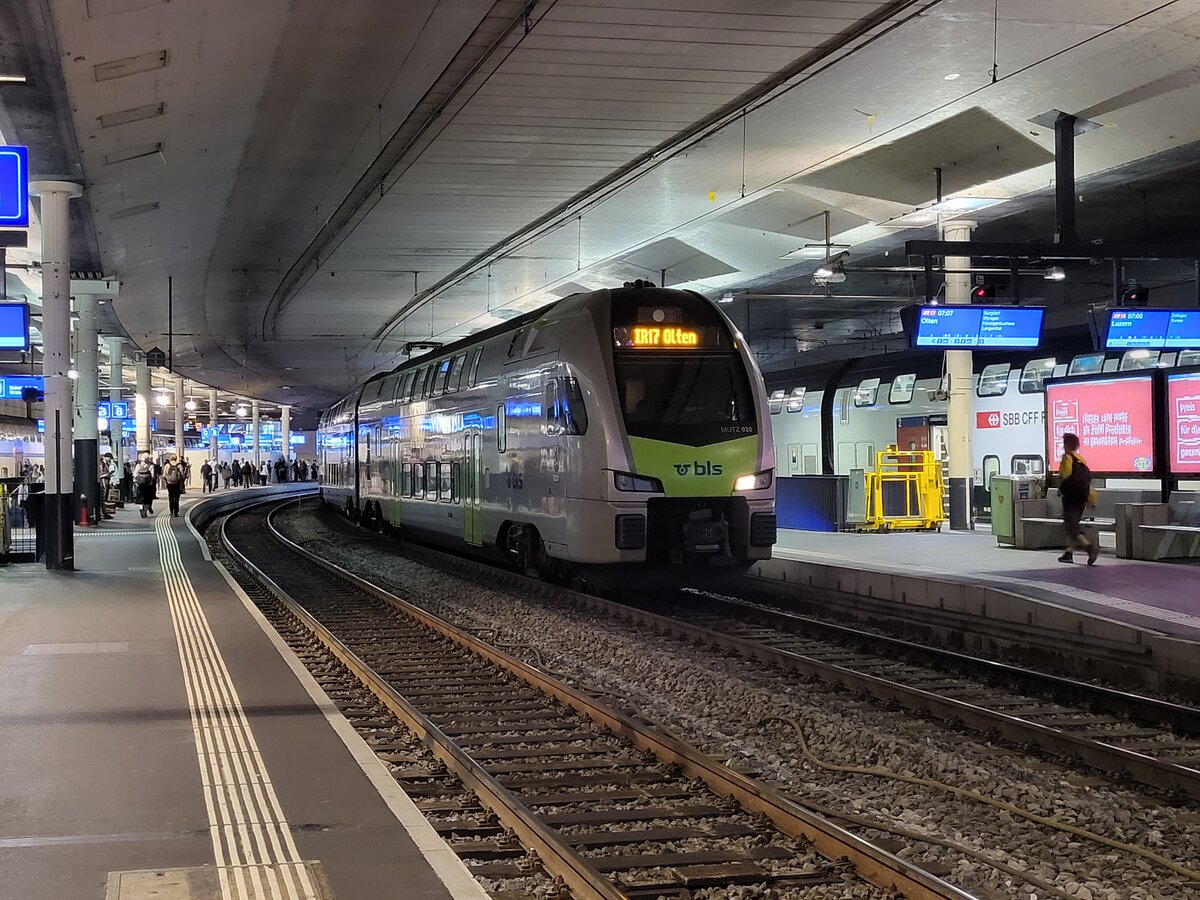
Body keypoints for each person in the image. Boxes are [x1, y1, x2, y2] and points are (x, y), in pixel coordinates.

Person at [1057, 432, 1098, 565]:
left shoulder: (1067, 458)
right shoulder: (1081, 460)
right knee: (1072, 524)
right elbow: (1087, 483)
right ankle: (1069, 552)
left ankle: (1088, 547)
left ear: (1066, 446)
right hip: (1081, 498)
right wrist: (1091, 500)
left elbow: (1065, 476)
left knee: (1071, 526)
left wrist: (1059, 488)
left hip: (1070, 498)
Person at [133, 453, 156, 517]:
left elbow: (135, 474)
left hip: (140, 484)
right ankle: (145, 512)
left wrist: (137, 480)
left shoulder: (138, 465)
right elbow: (153, 476)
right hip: (148, 485)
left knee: (141, 498)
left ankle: (141, 509)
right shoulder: (150, 466)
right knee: (147, 499)